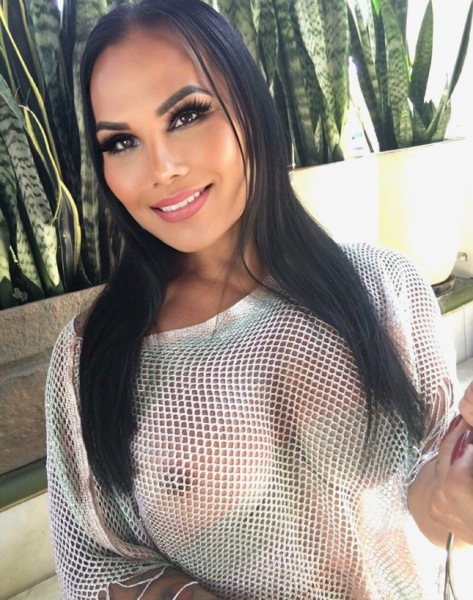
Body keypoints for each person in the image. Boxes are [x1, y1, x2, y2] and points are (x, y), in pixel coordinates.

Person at [45, 1, 473, 598]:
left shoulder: (384, 286)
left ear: (250, 105)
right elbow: (96, 563)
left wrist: (455, 493)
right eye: (121, 142)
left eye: (187, 114)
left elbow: (431, 497)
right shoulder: (91, 357)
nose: (161, 169)